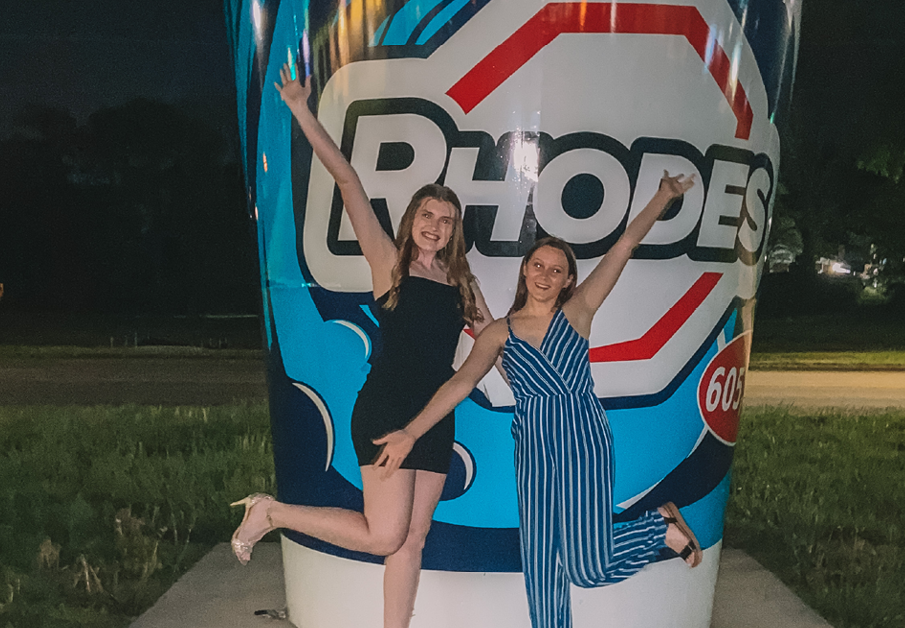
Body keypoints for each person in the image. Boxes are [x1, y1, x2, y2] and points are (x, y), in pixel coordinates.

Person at [372, 171, 704, 628]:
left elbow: (622, 248)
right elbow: (460, 383)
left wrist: (662, 198)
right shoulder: (499, 333)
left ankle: (658, 529)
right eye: (537, 266)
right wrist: (412, 431)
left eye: (556, 270)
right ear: (524, 271)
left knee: (589, 567)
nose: (545, 275)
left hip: (584, 441)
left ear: (569, 280)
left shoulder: (578, 311)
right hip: (533, 449)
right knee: (543, 570)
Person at [229, 65, 493, 628]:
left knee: (413, 538)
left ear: (454, 232)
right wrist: (302, 109)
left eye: (446, 221)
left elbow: (491, 344)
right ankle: (271, 511)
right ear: (411, 219)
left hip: (433, 420)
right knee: (385, 534)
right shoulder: (387, 263)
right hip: (386, 410)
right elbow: (348, 180)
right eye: (427, 214)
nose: (436, 226)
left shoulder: (463, 284)